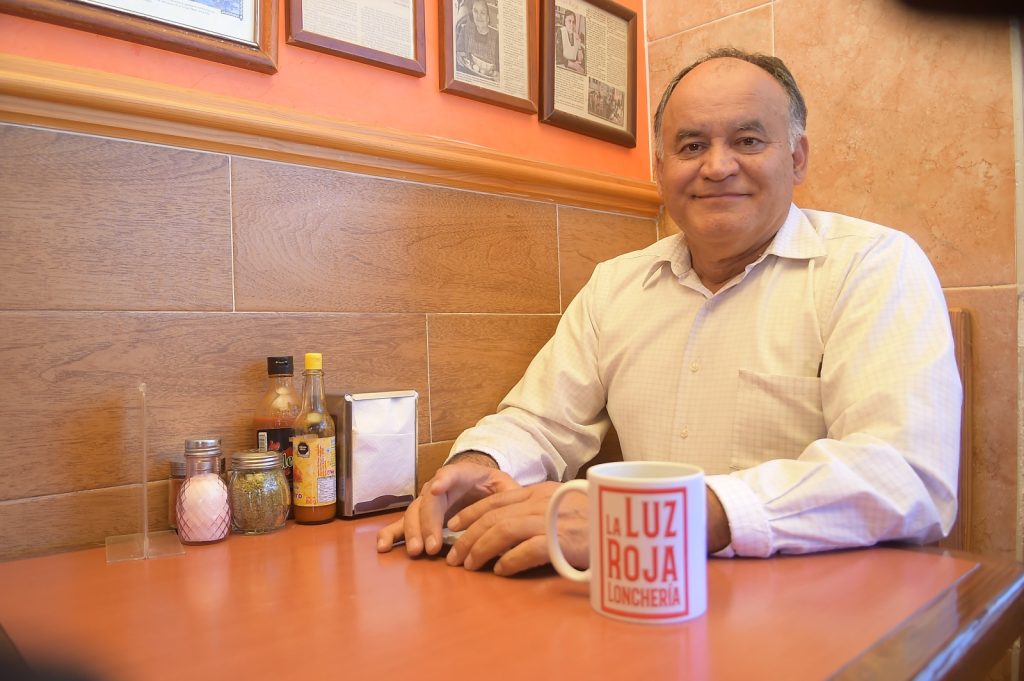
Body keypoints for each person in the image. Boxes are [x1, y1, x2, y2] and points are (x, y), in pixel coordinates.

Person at [377, 47, 962, 576]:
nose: (717, 166)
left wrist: (656, 519)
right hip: (638, 598)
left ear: (797, 157)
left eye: (748, 141)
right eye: (691, 146)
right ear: (660, 169)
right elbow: (541, 422)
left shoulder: (873, 265)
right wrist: (478, 465)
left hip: (824, 611)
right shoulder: (616, 285)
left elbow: (904, 475)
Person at [456, 0, 499, 80]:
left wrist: (498, 74)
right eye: (475, 11)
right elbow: (459, 53)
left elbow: (500, 68)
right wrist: (459, 57)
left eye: (482, 13)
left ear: (488, 17)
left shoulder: (497, 38)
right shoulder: (465, 30)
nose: (478, 16)